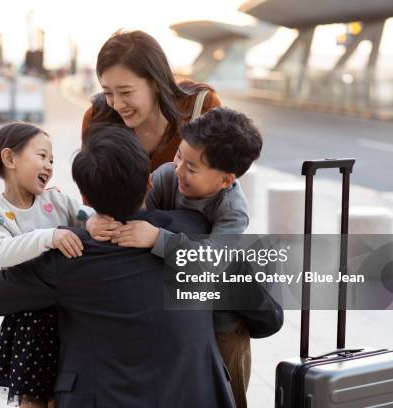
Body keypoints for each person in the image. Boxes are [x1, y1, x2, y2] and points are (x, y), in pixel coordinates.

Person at [0, 123, 237, 408]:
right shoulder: (199, 233)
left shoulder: (69, 253)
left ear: (85, 198)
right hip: (197, 396)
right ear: (149, 183)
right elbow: (269, 319)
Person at [88, 107, 264, 408]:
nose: (179, 169)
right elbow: (130, 217)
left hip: (222, 320)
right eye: (179, 155)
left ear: (225, 180)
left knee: (227, 393)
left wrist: (158, 238)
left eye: (192, 168)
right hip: (179, 310)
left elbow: (212, 264)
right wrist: (92, 221)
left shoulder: (232, 210)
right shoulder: (168, 177)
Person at [0, 122, 92, 407]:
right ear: (10, 159)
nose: (49, 165)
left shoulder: (56, 199)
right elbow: (3, 253)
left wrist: (98, 220)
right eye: (42, 156)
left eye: (52, 160)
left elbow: (86, 216)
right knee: (32, 399)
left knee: (63, 395)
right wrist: (49, 237)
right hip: (31, 324)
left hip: (68, 317)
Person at [81, 30, 222, 172]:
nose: (116, 105)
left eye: (126, 92)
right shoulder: (96, 119)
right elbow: (93, 191)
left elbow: (222, 183)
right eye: (108, 93)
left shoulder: (202, 108)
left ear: (156, 82)